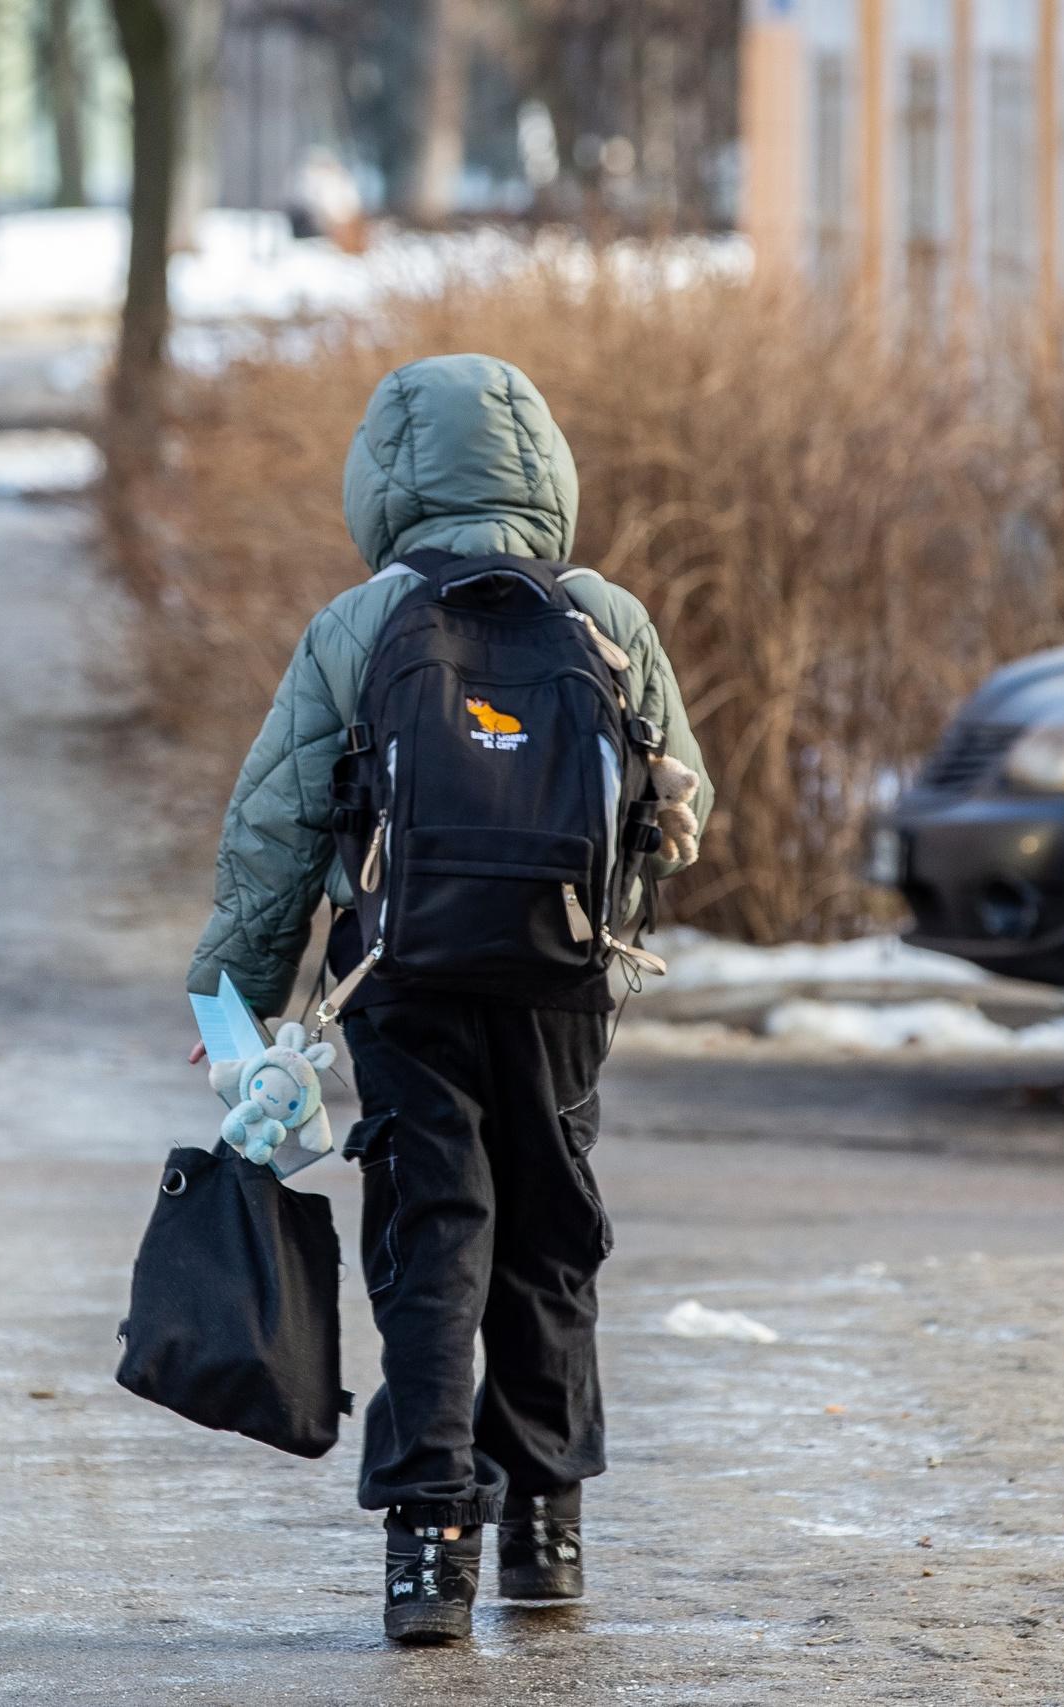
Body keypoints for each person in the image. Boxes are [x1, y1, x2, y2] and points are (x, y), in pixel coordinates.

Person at [182, 355, 713, 1646]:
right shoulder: (604, 614)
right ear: (548, 477)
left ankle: (430, 1543)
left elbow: (272, 831)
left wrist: (234, 1007)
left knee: (435, 1242)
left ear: (386, 481)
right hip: (563, 980)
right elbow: (683, 810)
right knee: (551, 1234)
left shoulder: (361, 624)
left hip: (402, 978)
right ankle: (546, 1524)